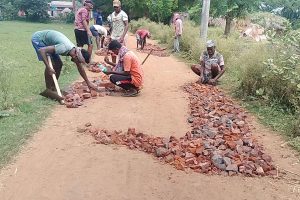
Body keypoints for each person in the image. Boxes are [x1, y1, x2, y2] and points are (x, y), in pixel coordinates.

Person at [31, 30, 98, 97]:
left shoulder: (75, 51)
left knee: (59, 64)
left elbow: (80, 68)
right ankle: (48, 90)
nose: (78, 63)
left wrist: (88, 83)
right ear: (76, 56)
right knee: (50, 63)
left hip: (50, 43)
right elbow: (42, 51)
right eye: (79, 61)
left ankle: (54, 87)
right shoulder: (64, 48)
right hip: (39, 39)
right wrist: (48, 67)